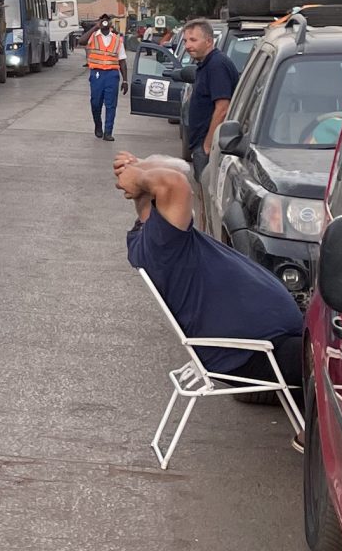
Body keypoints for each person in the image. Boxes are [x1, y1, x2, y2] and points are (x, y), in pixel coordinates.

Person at [115, 150, 307, 414]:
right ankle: (313, 438)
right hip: (254, 354)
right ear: (157, 197)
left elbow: (171, 184)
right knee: (339, 362)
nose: (189, 202)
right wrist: (138, 175)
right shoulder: (162, 244)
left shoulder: (165, 239)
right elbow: (175, 185)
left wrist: (139, 171)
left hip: (269, 343)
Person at [180, 18, 239, 172]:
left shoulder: (217, 65)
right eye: (185, 41)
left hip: (209, 147)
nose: (187, 46)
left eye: (193, 40)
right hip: (201, 145)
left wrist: (207, 146)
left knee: (207, 193)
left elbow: (222, 109)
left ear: (208, 41)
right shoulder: (205, 64)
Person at [84, 14, 125, 141]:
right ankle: (98, 125)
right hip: (97, 74)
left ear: (110, 23)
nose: (105, 23)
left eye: (107, 21)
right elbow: (81, 41)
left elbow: (122, 61)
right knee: (95, 103)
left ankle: (108, 132)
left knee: (111, 105)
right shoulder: (93, 36)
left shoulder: (117, 39)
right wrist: (95, 27)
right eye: (102, 21)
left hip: (112, 74)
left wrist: (126, 80)